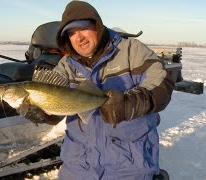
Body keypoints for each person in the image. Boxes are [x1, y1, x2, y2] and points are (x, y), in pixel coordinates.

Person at [28, 1, 174, 179]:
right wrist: (44, 113)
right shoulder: (65, 66)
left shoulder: (130, 50)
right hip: (80, 164)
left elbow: (162, 83)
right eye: (71, 34)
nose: (79, 38)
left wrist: (131, 103)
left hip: (129, 162)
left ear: (97, 26)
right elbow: (59, 105)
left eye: (82, 29)